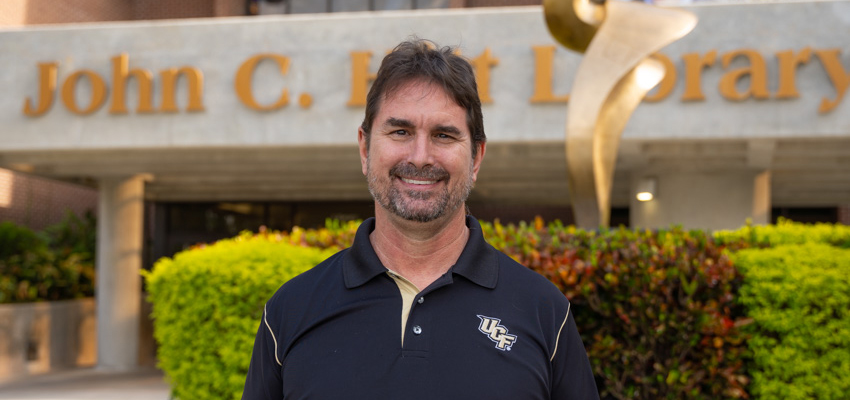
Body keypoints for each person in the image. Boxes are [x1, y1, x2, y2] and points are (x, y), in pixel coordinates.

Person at [242, 38, 599, 400]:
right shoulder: (291, 310)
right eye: (401, 132)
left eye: (443, 135)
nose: (421, 156)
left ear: (476, 158)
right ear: (365, 149)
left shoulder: (543, 311)